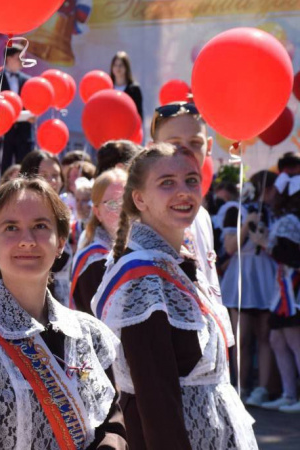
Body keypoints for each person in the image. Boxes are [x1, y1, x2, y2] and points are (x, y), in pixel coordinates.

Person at [0, 176, 127, 449]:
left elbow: (114, 425)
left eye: (40, 226)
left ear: (61, 241)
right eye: (11, 228)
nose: (27, 240)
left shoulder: (89, 334)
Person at [91, 144, 256, 449]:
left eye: (191, 180)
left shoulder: (177, 262)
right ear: (139, 198)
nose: (184, 191)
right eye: (167, 182)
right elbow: (157, 403)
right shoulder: (143, 277)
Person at [150, 102, 222, 296]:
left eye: (195, 143)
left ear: (209, 147)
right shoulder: (143, 211)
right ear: (152, 148)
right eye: (174, 144)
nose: (185, 152)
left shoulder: (202, 215)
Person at [219, 171, 277, 406]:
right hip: (241, 274)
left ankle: (262, 388)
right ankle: (239, 386)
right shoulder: (236, 210)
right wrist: (246, 224)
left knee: (265, 335)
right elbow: (230, 247)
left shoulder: (273, 213)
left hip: (265, 274)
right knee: (241, 337)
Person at [261, 171, 300, 412]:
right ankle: (289, 394)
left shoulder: (290, 221)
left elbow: (292, 257)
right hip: (285, 286)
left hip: (292, 287)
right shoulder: (289, 219)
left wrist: (264, 243)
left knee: (294, 341)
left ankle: (291, 395)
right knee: (277, 339)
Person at [19, 151, 72, 305]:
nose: (52, 181)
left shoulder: (65, 210)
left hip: (63, 295)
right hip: (35, 296)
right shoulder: (22, 212)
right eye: (44, 175)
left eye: (56, 175)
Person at [70, 168, 126, 314]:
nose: (122, 210)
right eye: (113, 204)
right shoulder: (95, 260)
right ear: (97, 212)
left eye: (126, 201)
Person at [0, 44, 34, 173]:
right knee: (3, 171)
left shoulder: (28, 82)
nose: (22, 62)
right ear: (9, 58)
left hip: (24, 135)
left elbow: (34, 107)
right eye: (20, 58)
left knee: (26, 170)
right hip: (4, 135)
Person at [110, 51, 143, 120]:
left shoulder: (134, 89)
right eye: (115, 65)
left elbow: (139, 114)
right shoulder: (108, 88)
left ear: (126, 67)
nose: (118, 68)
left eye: (121, 65)